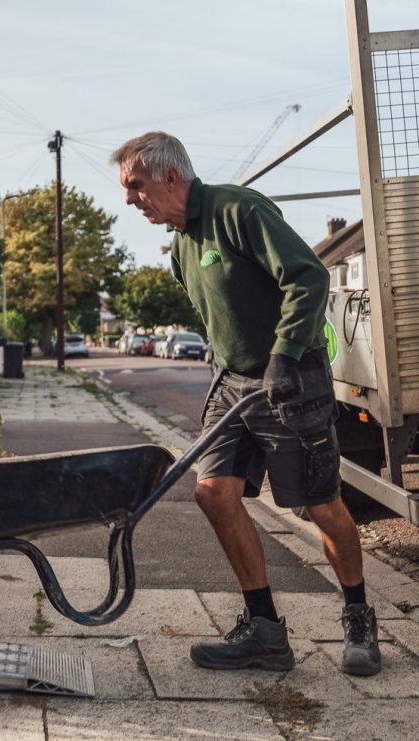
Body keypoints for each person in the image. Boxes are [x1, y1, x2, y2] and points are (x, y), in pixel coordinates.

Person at [109, 131, 381, 676]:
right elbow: (220, 318)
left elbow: (307, 277)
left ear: (170, 176)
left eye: (136, 186)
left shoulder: (238, 209)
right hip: (235, 384)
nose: (130, 199)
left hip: (291, 380)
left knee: (319, 506)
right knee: (213, 493)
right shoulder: (181, 247)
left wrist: (283, 354)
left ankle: (359, 618)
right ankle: (265, 630)